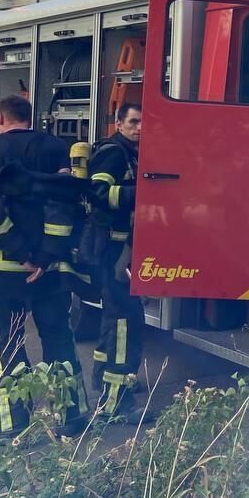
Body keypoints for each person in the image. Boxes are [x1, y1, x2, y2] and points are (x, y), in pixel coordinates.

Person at [0, 94, 87, 435]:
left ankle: (12, 424)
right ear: (30, 119)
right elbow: (62, 204)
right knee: (59, 340)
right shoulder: (54, 148)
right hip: (49, 273)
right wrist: (45, 257)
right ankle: (71, 418)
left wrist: (20, 253)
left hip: (2, 273)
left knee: (7, 345)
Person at [86, 103, 143, 416]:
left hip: (119, 251)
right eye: (133, 122)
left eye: (143, 123)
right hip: (113, 251)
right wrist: (142, 191)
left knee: (114, 319)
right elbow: (97, 193)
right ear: (119, 123)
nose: (139, 128)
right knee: (124, 323)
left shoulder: (132, 152)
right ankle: (116, 403)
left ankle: (105, 381)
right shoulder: (114, 152)